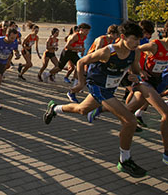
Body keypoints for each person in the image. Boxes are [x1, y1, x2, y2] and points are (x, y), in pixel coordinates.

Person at [44, 21, 147, 178]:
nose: (137, 43)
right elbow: (81, 61)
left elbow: (135, 70)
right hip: (98, 87)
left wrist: (136, 76)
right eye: (134, 39)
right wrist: (81, 82)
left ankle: (54, 108)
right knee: (130, 121)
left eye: (139, 40)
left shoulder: (134, 52)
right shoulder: (107, 51)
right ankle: (125, 160)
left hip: (110, 88)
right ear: (122, 37)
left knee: (82, 110)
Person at [127, 20, 168, 170]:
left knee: (130, 108)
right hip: (144, 81)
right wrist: (137, 71)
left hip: (157, 81)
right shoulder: (154, 45)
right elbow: (135, 50)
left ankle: (100, 107)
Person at [0, 27, 20, 109]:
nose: (13, 40)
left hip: (3, 63)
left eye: (15, 38)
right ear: (6, 35)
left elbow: (15, 50)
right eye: (12, 38)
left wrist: (17, 54)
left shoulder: (14, 42)